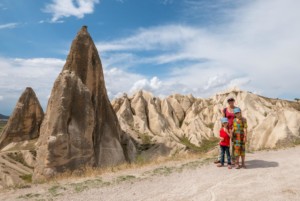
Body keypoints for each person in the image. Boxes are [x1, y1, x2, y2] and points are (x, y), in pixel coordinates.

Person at [214, 97, 237, 164]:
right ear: (228, 102)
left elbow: (237, 119)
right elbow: (223, 119)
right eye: (229, 101)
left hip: (233, 128)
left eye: (232, 101)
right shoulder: (225, 110)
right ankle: (220, 158)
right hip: (226, 128)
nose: (230, 102)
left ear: (234, 101)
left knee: (233, 144)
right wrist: (223, 129)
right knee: (222, 142)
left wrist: (234, 128)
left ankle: (233, 159)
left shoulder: (236, 109)